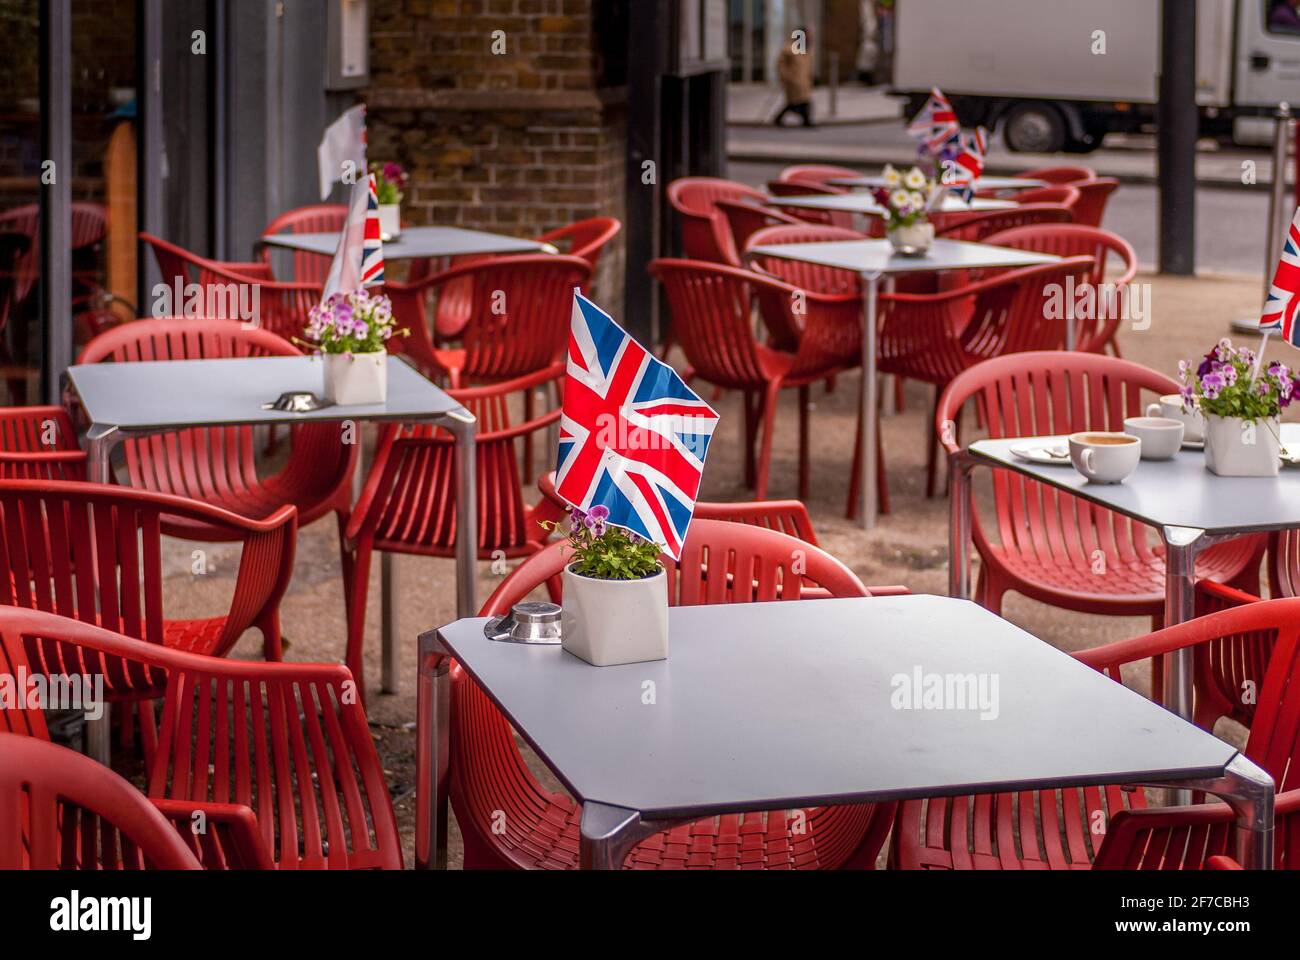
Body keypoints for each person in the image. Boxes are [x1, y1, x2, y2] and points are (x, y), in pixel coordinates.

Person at [774, 27, 814, 127]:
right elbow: (780, 65)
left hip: (803, 81)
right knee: (801, 102)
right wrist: (785, 77)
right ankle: (806, 121)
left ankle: (779, 118)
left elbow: (806, 67)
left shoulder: (805, 50)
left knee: (797, 102)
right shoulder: (789, 49)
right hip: (793, 81)